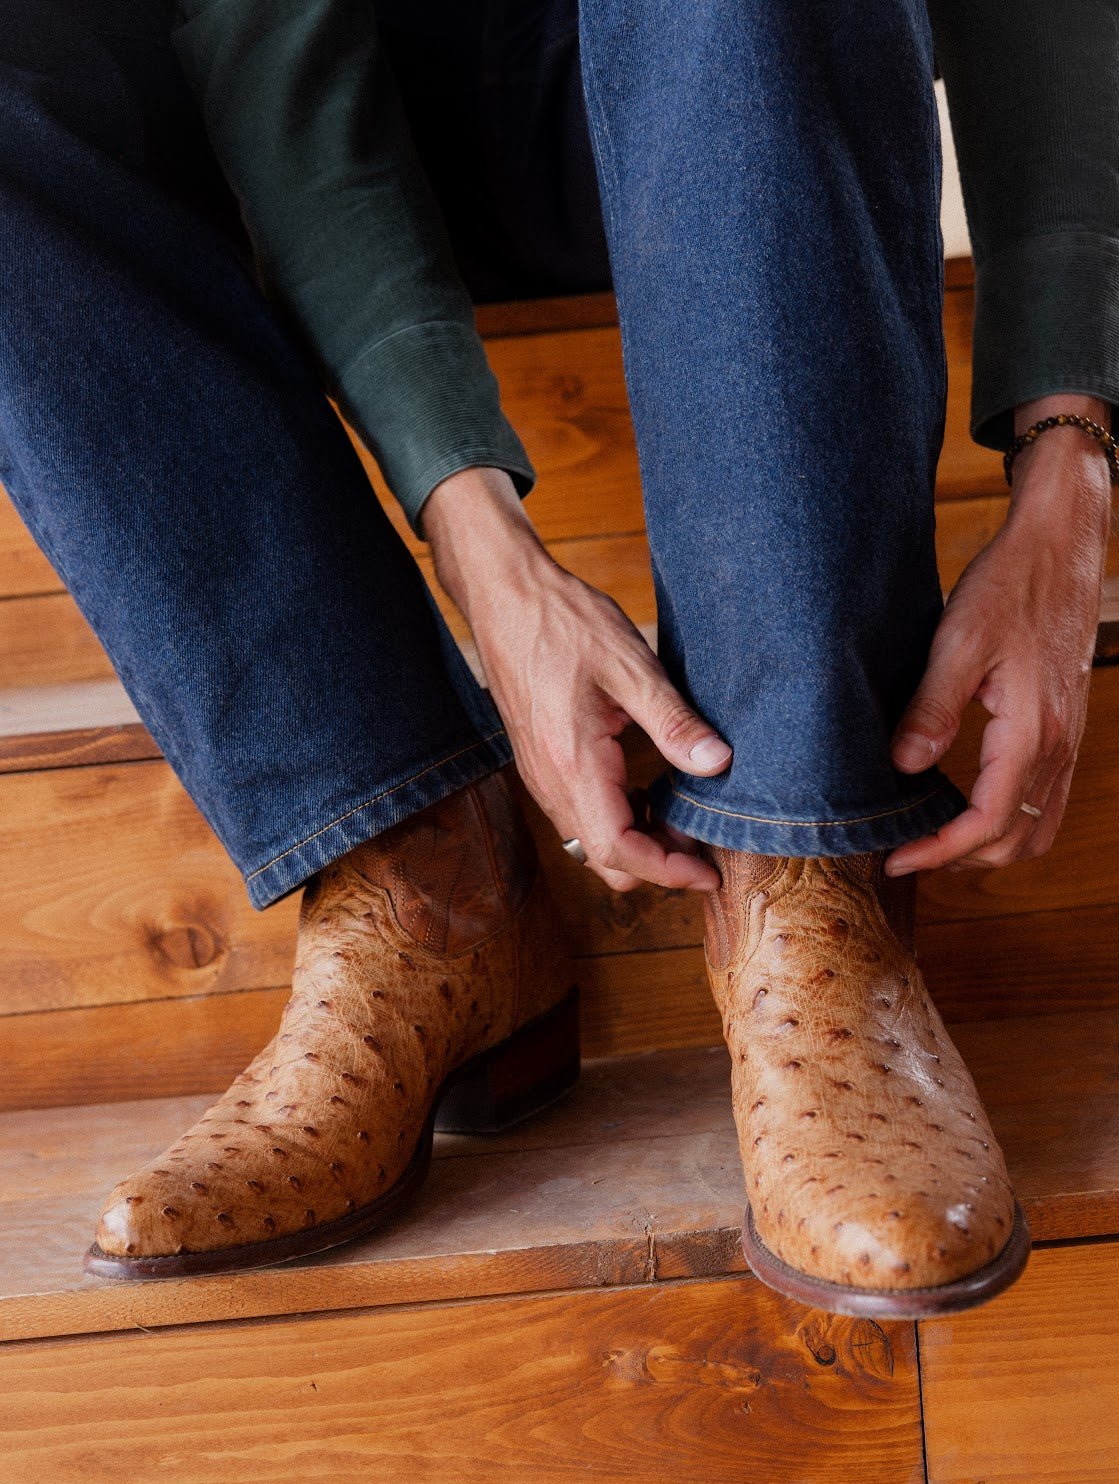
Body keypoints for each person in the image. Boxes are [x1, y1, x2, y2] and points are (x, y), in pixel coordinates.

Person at [2, 0, 1114, 1314]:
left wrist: (1073, 447)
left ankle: (807, 869)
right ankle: (415, 874)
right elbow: (273, 47)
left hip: (726, 86)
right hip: (351, 142)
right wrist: (480, 544)